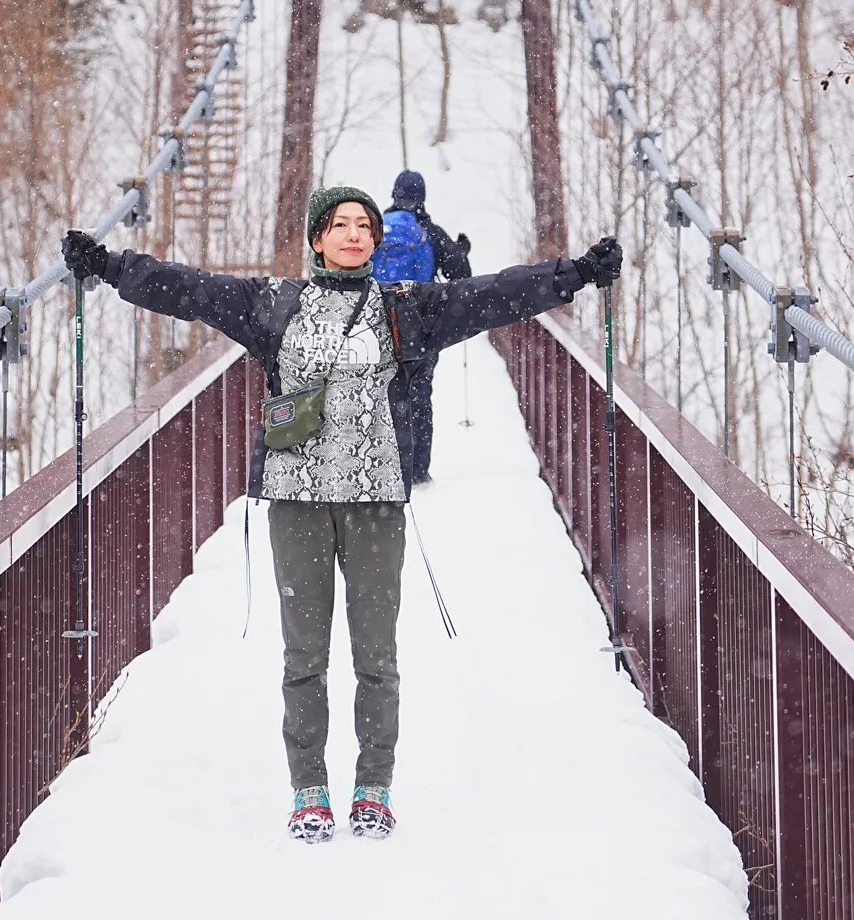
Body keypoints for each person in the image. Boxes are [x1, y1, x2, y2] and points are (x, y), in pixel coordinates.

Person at [61, 188, 621, 845]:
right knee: (305, 657)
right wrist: (107, 265)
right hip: (296, 501)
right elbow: (188, 289)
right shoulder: (274, 304)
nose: (354, 235)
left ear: (376, 241)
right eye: (340, 225)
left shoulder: (405, 310)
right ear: (317, 238)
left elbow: (492, 295)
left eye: (364, 226)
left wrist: (573, 273)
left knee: (376, 656)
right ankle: (308, 792)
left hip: (376, 502)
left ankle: (374, 789)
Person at [371, 167, 470, 485]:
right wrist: (460, 250)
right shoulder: (430, 232)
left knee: (380, 393)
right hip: (420, 327)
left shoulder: (374, 230)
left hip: (377, 325)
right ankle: (416, 470)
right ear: (422, 197)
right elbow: (461, 277)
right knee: (419, 394)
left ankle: (380, 464)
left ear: (394, 195)